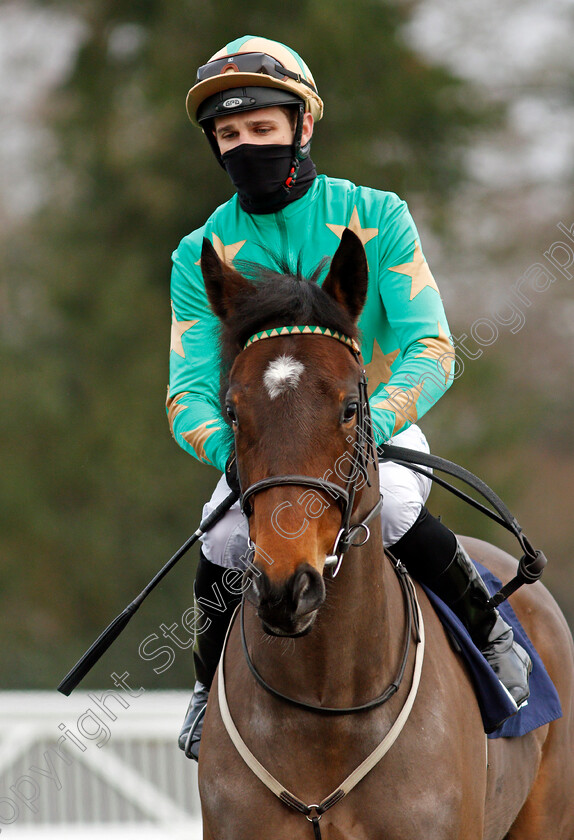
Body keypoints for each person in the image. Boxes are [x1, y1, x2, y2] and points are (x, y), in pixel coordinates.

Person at [167, 36, 531, 761]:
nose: (245, 145)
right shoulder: (199, 251)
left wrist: (370, 423)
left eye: (261, 128)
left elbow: (432, 348)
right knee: (220, 535)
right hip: (264, 448)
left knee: (392, 505)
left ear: (302, 126)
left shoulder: (376, 215)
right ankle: (208, 686)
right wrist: (230, 448)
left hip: (367, 427)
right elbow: (187, 393)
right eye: (229, 135)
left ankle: (491, 633)